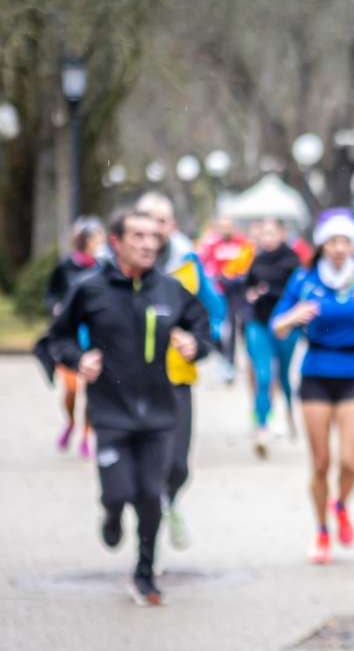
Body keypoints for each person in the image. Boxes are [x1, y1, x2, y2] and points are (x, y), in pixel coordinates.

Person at [44, 208, 212, 606]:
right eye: (137, 236)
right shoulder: (90, 288)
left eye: (154, 237)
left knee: (151, 495)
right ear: (116, 242)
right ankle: (111, 513)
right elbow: (57, 337)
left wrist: (195, 346)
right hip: (110, 410)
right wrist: (76, 358)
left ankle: (145, 573)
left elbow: (203, 325)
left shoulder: (170, 290)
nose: (148, 244)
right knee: (119, 491)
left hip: (158, 410)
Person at [270, 210, 354, 564]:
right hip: (316, 373)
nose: (339, 248)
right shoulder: (304, 280)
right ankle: (322, 530)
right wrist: (293, 318)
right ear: (322, 244)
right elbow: (277, 325)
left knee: (350, 463)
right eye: (332, 241)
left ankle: (340, 505)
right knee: (321, 464)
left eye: (345, 241)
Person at [135, 193, 227, 551]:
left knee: (177, 466)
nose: (156, 228)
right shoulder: (121, 265)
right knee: (141, 466)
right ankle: (147, 543)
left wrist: (199, 341)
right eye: (148, 219)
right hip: (131, 380)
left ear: (172, 226)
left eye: (163, 220)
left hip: (177, 377)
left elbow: (214, 313)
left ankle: (169, 501)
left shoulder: (188, 266)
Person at [44, 216, 105, 458]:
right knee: (71, 389)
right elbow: (50, 294)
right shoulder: (65, 267)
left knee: (91, 387)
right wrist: (56, 307)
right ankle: (70, 422)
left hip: (93, 336)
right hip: (70, 335)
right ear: (85, 240)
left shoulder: (102, 268)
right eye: (96, 237)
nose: (100, 242)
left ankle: (87, 433)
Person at [244, 217, 302, 457]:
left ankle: (289, 412)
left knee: (285, 377)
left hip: (286, 327)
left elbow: (298, 292)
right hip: (258, 324)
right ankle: (262, 426)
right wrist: (253, 294)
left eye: (271, 233)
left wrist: (270, 291)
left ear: (282, 233)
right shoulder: (256, 259)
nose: (267, 238)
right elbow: (247, 286)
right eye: (263, 233)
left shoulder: (292, 260)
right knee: (264, 376)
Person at [199, 216, 255, 383]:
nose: (225, 230)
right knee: (224, 331)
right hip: (219, 294)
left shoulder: (242, 243)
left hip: (239, 293)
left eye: (228, 226)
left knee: (243, 327)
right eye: (222, 227)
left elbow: (249, 265)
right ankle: (228, 363)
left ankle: (249, 362)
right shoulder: (212, 245)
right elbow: (205, 266)